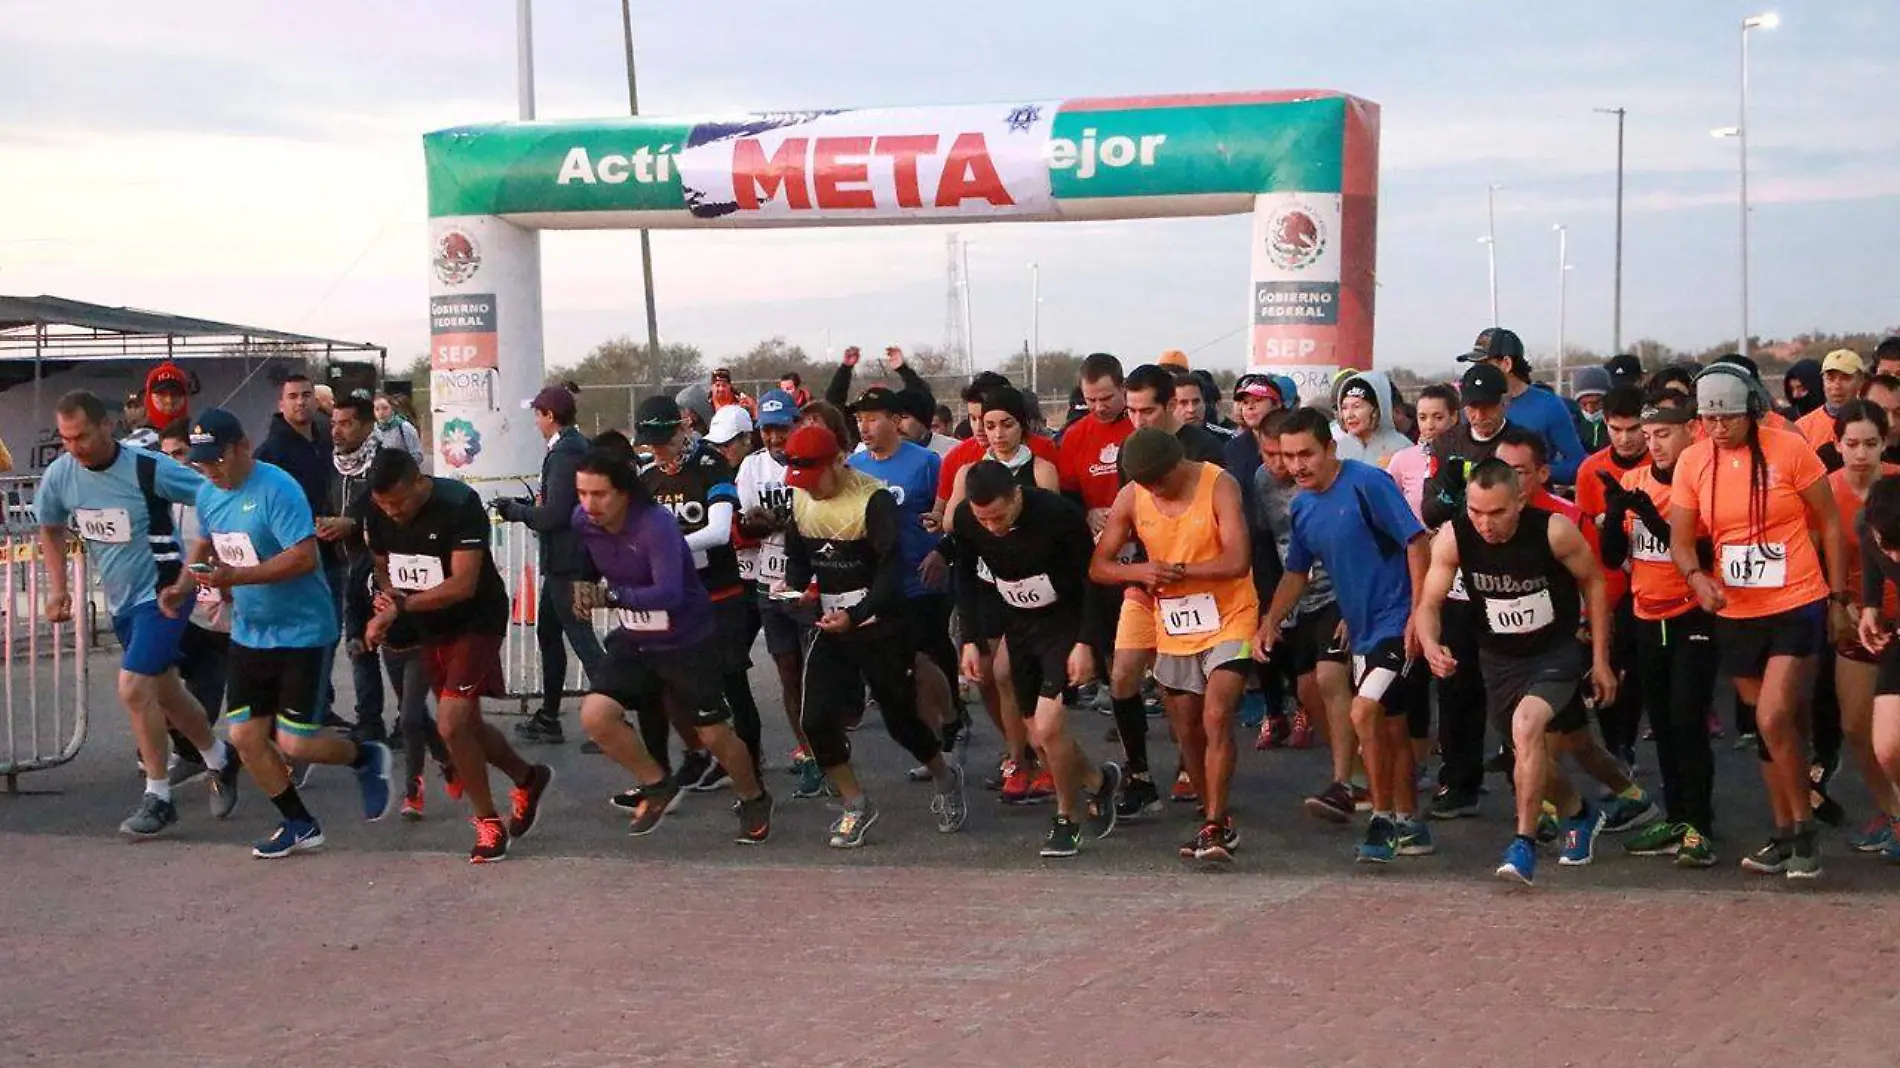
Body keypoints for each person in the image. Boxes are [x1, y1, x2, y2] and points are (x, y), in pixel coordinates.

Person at [178, 408, 393, 858]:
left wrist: (235, 578)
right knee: (245, 737)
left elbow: (303, 559)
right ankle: (298, 823)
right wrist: (187, 582)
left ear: (243, 448)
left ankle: (365, 756)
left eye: (218, 460)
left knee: (295, 742)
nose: (211, 471)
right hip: (251, 632)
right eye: (202, 463)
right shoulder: (208, 494)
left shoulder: (278, 489)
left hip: (302, 631)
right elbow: (206, 543)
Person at [1669, 363, 1847, 879]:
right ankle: (1785, 829)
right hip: (1737, 609)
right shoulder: (1694, 462)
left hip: (1796, 601)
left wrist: (1838, 597)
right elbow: (1682, 539)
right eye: (1709, 420)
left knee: (1772, 716)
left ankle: (1805, 832)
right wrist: (1696, 578)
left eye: (1728, 419)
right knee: (1772, 728)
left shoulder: (1789, 449)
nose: (1718, 429)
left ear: (1751, 410)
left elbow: (1830, 524)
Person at [36, 390, 238, 837]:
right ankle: (220, 758)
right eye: (66, 438)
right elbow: (49, 526)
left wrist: (205, 563)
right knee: (165, 692)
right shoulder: (61, 476)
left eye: (82, 436)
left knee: (131, 688)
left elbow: (213, 496)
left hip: (165, 593)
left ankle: (158, 795)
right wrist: (58, 589)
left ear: (107, 426)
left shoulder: (148, 467)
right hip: (123, 600)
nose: (74, 447)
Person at [1415, 459, 1616, 887]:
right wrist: (1431, 644)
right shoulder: (1453, 538)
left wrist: (1599, 659)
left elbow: (1595, 584)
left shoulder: (1554, 530)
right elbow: (1430, 603)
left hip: (1555, 653)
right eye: (1476, 512)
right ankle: (1578, 810)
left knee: (1527, 729)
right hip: (1500, 659)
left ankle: (1522, 845)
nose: (1485, 524)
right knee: (1523, 754)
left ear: (1520, 501)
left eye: (1497, 513)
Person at [772, 424, 967, 848]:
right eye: (799, 482)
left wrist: (857, 614)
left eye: (813, 479)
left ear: (838, 462)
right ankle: (855, 804)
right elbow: (798, 561)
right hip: (830, 624)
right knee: (815, 720)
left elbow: (889, 575)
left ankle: (944, 774)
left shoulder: (872, 498)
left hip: (881, 624)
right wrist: (795, 591)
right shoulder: (802, 499)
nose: (809, 491)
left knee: (901, 721)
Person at [569, 445, 775, 844]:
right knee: (595, 716)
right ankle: (657, 782)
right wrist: (583, 582)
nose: (588, 504)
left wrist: (610, 598)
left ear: (625, 493)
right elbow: (590, 555)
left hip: (686, 638)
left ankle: (753, 795)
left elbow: (668, 593)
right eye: (582, 493)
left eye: (599, 495)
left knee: (714, 734)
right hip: (637, 637)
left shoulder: (655, 525)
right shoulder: (584, 520)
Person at [361, 448, 553, 862]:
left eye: (399, 502)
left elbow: (464, 584)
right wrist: (387, 597)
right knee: (468, 725)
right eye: (383, 505)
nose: (392, 512)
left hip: (476, 620)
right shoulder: (375, 510)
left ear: (419, 481)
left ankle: (487, 823)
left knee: (450, 724)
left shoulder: (458, 504)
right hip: (429, 624)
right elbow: (383, 565)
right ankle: (527, 777)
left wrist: (401, 606)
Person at [1258, 408, 1429, 862]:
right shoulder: (1302, 506)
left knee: (1364, 710)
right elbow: (1297, 571)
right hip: (1363, 627)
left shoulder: (1368, 484)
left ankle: (1382, 819)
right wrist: (1271, 620)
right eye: (1288, 456)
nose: (1297, 465)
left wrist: (1419, 613)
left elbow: (1416, 540)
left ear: (1331, 448)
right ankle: (1411, 824)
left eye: (1306, 454)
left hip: (1398, 620)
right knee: (1390, 728)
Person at [1092, 428, 1258, 863]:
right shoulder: (1132, 496)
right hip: (1176, 623)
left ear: (1178, 465)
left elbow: (1239, 559)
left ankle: (1217, 823)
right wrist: (1141, 572)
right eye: (1145, 486)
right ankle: (1212, 816)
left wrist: (1181, 572)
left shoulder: (1218, 483)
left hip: (1231, 616)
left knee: (1217, 713)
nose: (1153, 492)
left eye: (1159, 483)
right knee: (1186, 727)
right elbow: (1100, 566)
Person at [953, 460, 1120, 856]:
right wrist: (971, 639)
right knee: (1037, 735)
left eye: (999, 516)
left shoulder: (1058, 515)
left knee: (1048, 726)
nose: (991, 527)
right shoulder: (967, 520)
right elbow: (964, 577)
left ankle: (1067, 817)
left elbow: (1091, 582)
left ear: (1017, 495)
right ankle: (1098, 783)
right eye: (983, 519)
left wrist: (1087, 643)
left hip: (1064, 621)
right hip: (1019, 622)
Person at [1598, 389, 1721, 866]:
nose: (1655, 445)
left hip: (1692, 612)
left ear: (1691, 431)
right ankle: (1677, 818)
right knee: (1664, 722)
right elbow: (1613, 557)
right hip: (1647, 615)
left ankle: (1700, 827)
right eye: (1648, 436)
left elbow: (1708, 555)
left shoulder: (1701, 483)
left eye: (1663, 434)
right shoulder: (1634, 476)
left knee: (1689, 719)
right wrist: (1615, 512)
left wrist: (1653, 515)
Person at [932, 385, 1060, 798]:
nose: (998, 434)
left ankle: (1044, 759)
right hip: (986, 584)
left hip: (1030, 586)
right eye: (988, 425)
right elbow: (953, 523)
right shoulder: (971, 471)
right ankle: (1016, 757)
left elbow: (1047, 528)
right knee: (989, 675)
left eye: (1006, 425)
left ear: (1022, 426)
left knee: (1014, 673)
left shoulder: (1038, 469)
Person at [634, 394, 763, 787]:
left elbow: (720, 531)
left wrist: (668, 547)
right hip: (674, 599)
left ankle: (749, 764)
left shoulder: (710, 465)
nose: (658, 450)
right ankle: (691, 760)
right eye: (650, 443)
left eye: (665, 440)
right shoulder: (646, 478)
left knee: (730, 681)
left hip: (719, 594)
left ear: (683, 429)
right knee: (670, 684)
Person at [846, 386, 963, 779]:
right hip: (882, 583)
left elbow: (948, 515)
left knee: (928, 653)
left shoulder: (927, 463)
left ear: (896, 421)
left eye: (873, 418)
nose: (864, 426)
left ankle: (951, 720)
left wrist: (941, 551)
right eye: (859, 419)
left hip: (923, 575)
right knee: (906, 663)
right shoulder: (854, 465)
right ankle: (934, 742)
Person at [1249, 410, 1356, 797]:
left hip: (1340, 592)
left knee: (1331, 679)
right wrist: (1269, 614)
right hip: (1298, 592)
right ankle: (1352, 764)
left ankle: (1344, 781)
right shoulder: (1262, 482)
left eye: (1292, 455)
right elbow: (1272, 548)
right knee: (1308, 691)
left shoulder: (1341, 480)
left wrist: (1353, 606)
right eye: (1272, 454)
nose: (1284, 466)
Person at [496, 384, 606, 745]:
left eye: (538, 414)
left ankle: (612, 718)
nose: (535, 421)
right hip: (567, 561)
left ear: (549, 416)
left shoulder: (565, 454)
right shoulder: (575, 447)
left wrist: (518, 512)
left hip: (568, 562)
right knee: (549, 634)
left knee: (583, 641)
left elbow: (556, 515)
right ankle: (548, 716)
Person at [1820, 402, 1900, 853]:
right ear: (1836, 445)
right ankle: (1891, 812)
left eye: (1871, 443)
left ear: (1885, 444)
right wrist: (1841, 603)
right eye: (1851, 444)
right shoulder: (1827, 492)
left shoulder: (1896, 486)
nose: (1861, 453)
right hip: (1856, 620)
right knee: (1855, 726)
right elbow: (1812, 554)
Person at [735, 390, 822, 795]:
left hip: (809, 582)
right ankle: (807, 751)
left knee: (818, 670)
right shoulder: (753, 468)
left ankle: (827, 746)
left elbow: (813, 519)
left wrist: (776, 521)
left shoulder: (812, 461)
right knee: (788, 672)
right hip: (769, 583)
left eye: (781, 429)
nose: (774, 438)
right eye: (767, 430)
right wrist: (773, 522)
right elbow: (747, 523)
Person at [253, 373, 345, 727]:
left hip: (331, 554)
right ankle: (295, 713)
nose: (301, 401)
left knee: (328, 635)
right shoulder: (271, 452)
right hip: (291, 558)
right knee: (296, 640)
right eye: (292, 396)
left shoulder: (325, 441)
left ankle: (321, 705)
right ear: (281, 404)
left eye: (306, 395)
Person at [1572, 386, 1651, 764]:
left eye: (1633, 428)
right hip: (1608, 588)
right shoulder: (1591, 470)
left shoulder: (1665, 463)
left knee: (1637, 675)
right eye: (1616, 429)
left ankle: (1627, 746)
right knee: (1602, 670)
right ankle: (1616, 750)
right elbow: (1587, 540)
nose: (1625, 437)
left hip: (1655, 591)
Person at [154, 419, 234, 788]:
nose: (174, 463)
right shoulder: (159, 495)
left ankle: (221, 754)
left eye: (181, 454)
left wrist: (218, 579)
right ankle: (187, 750)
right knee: (157, 682)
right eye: (166, 455)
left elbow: (218, 547)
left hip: (219, 611)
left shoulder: (213, 492)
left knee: (209, 698)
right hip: (179, 609)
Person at [322, 391, 390, 744]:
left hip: (382, 570)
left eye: (346, 424)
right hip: (347, 570)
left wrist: (355, 523)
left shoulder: (386, 463)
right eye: (334, 423)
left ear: (367, 425)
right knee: (357, 647)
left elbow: (396, 508)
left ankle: (416, 722)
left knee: (394, 649)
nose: (337, 431)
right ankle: (370, 721)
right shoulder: (332, 464)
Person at [1456, 327, 1586, 484]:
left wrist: (1527, 472)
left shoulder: (1549, 406)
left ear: (1506, 363)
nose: (1477, 371)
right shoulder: (1470, 408)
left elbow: (1578, 464)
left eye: (1483, 364)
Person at [1853, 475, 1900, 861]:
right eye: (1890, 546)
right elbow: (1871, 554)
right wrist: (1870, 607)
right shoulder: (1868, 526)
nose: (1896, 557)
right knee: (1887, 745)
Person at [1386, 383, 1459, 522]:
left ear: (1454, 417)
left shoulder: (1466, 453)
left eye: (1438, 418)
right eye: (1423, 418)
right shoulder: (1402, 459)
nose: (1429, 426)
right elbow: (1386, 504)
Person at [1329, 371, 1412, 466]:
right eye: (1344, 408)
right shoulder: (1335, 446)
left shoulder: (1402, 448)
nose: (1350, 415)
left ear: (1376, 410)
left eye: (1357, 406)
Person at [1797, 349, 1866, 454]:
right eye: (1830, 379)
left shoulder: (1874, 421)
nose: (1837, 386)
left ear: (1861, 381)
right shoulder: (1802, 428)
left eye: (1845, 378)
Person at [371, 392, 425, 463]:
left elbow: (418, 455)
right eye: (377, 409)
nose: (381, 412)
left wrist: (400, 465)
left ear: (392, 408)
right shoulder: (373, 429)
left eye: (385, 408)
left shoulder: (404, 427)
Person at [1572, 366, 1613, 453]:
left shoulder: (1618, 424)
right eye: (1583, 404)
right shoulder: (1571, 426)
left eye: (1596, 403)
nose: (1590, 410)